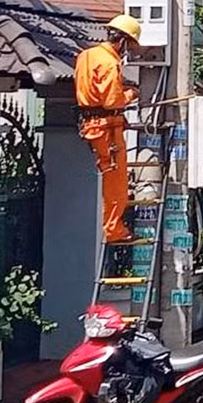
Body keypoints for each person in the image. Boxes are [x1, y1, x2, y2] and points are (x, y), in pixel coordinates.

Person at [74, 15, 142, 244]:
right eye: (129, 45)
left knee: (106, 179)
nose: (127, 51)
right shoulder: (109, 62)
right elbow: (113, 101)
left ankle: (111, 227)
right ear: (122, 41)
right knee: (116, 183)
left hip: (91, 123)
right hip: (107, 129)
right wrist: (131, 94)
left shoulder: (87, 55)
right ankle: (114, 230)